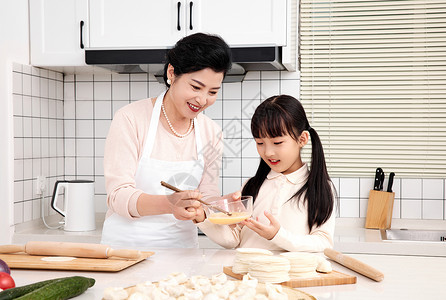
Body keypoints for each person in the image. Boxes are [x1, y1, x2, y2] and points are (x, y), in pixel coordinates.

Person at [101, 33, 232, 249]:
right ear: (172, 72)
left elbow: (206, 196)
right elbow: (118, 195)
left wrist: (216, 206)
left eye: (213, 91)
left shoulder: (212, 132)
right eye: (196, 87)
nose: (202, 100)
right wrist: (168, 204)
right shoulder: (130, 118)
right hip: (124, 252)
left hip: (182, 254)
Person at [196, 95, 337, 252]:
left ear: (302, 139)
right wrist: (202, 218)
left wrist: (277, 235)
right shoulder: (252, 185)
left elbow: (323, 243)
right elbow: (234, 238)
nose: (268, 152)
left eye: (277, 143)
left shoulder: (320, 188)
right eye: (260, 143)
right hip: (247, 274)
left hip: (290, 275)